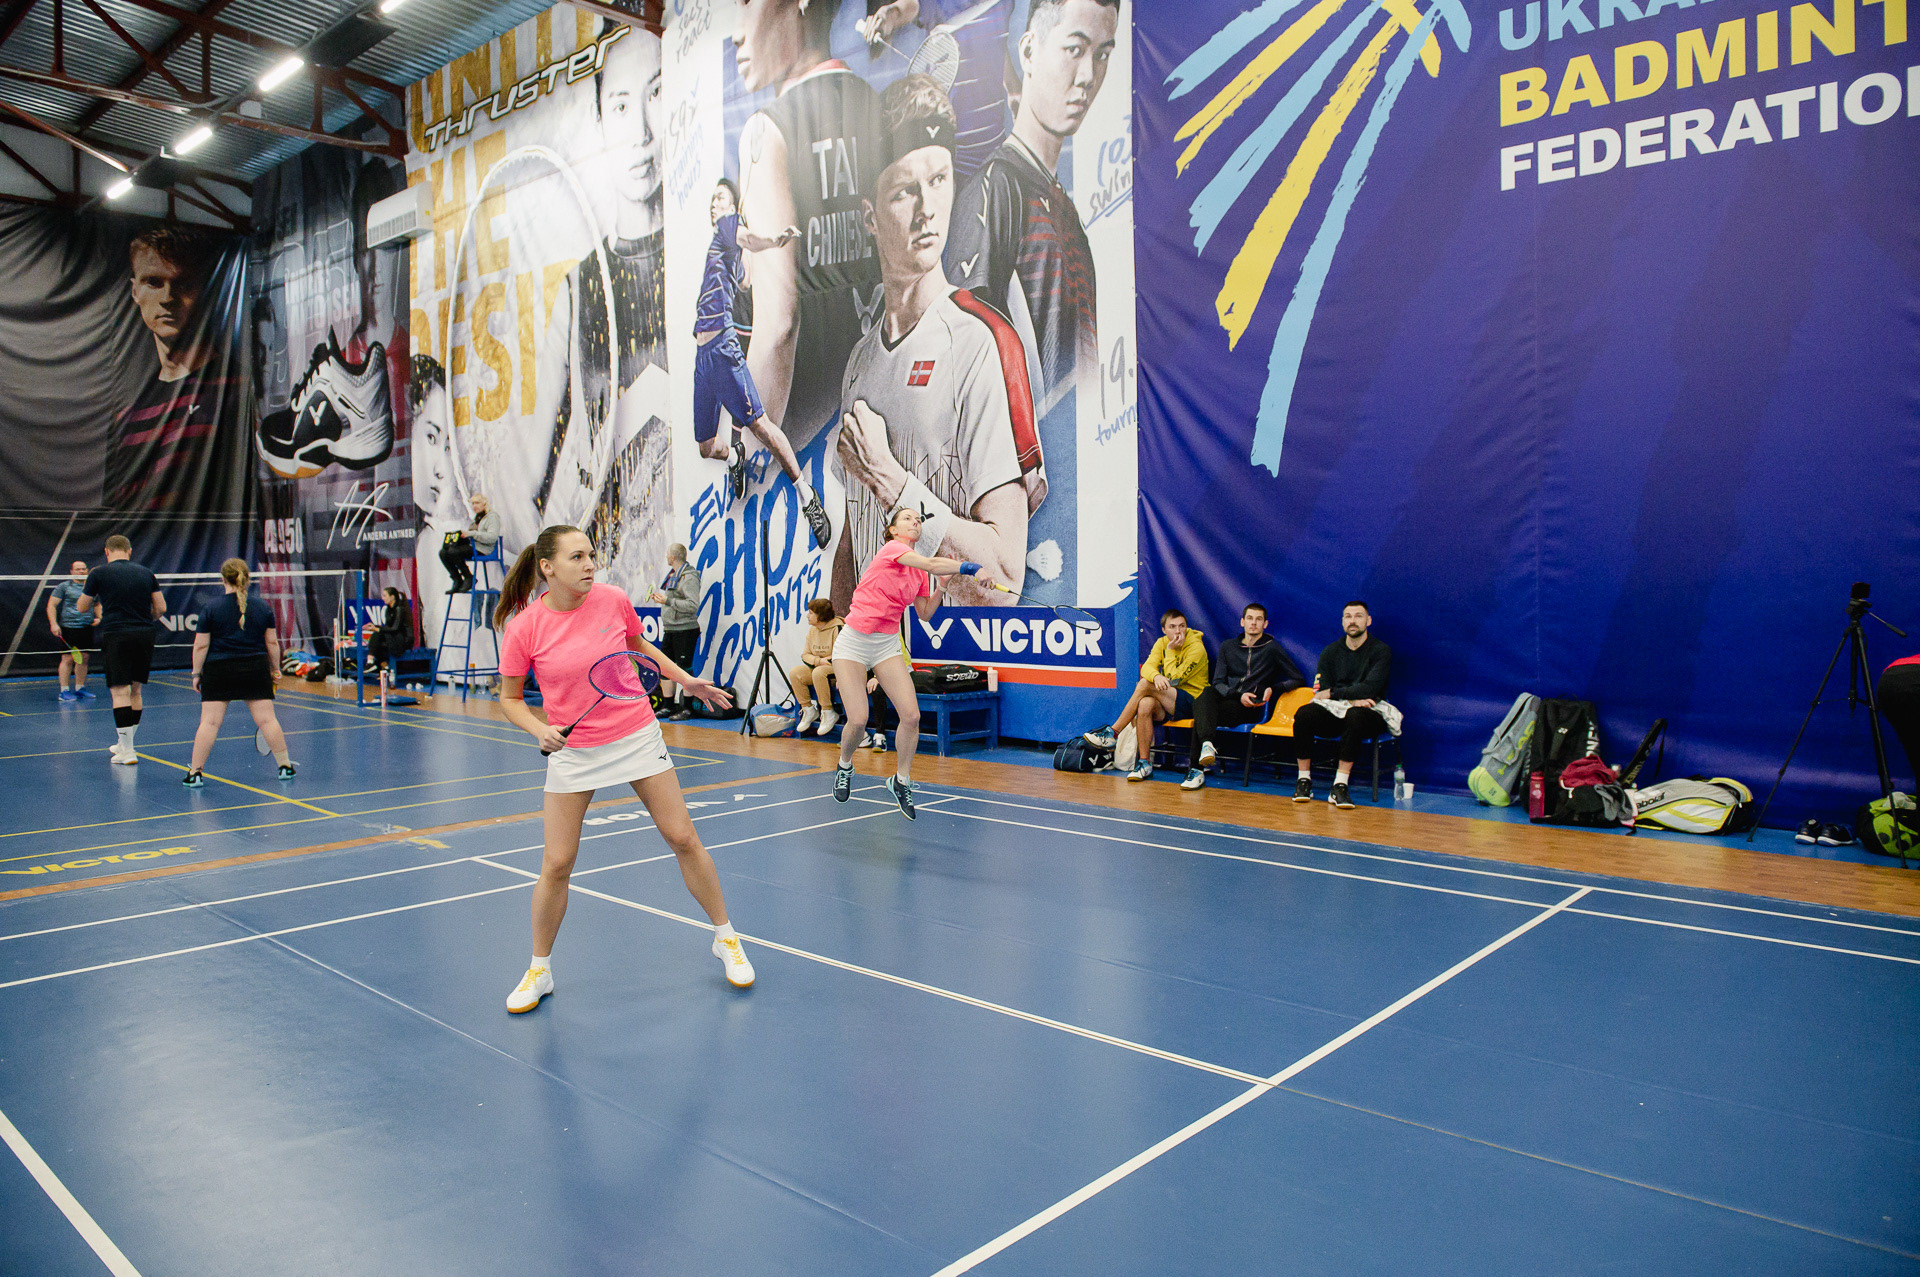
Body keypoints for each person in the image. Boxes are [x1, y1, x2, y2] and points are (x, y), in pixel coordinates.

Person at [494, 525, 750, 1012]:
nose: (589, 564)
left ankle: (726, 937)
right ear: (547, 567)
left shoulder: (612, 600)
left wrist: (686, 680)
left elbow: (640, 650)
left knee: (682, 836)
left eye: (591, 554)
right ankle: (539, 969)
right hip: (573, 749)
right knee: (557, 863)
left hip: (634, 733)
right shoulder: (525, 627)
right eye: (576, 557)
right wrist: (538, 729)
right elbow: (509, 698)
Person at [831, 73, 1043, 611]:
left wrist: (888, 479)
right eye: (905, 190)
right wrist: (839, 637)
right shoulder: (860, 361)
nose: (927, 208)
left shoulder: (982, 342)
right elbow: (855, 537)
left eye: (940, 180)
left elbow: (1002, 581)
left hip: (950, 658)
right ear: (870, 216)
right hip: (876, 652)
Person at [945, 0, 1119, 603]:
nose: (1088, 75)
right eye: (1074, 49)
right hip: (1023, 511)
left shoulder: (1061, 204)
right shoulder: (994, 190)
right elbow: (966, 361)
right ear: (1028, 50)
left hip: (1074, 493)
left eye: (1102, 55)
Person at [517, 24, 671, 581]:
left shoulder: (708, 256)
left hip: (691, 537)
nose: (641, 134)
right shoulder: (580, 287)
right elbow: (537, 471)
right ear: (600, 118)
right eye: (622, 105)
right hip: (611, 561)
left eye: (656, 94)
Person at [733, 0, 884, 459]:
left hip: (811, 444)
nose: (737, 32)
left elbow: (778, 326)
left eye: (746, 2)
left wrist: (746, 458)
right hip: (886, 429)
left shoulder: (766, 132)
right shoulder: (878, 107)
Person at [694, 178, 832, 549]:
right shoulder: (721, 243)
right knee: (707, 446)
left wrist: (770, 241)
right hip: (703, 356)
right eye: (712, 199)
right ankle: (734, 457)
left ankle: (808, 498)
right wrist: (742, 250)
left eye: (720, 197)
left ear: (733, 208)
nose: (714, 203)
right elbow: (743, 280)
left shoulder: (729, 227)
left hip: (722, 349)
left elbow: (750, 243)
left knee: (761, 426)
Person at [831, 505, 980, 818]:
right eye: (907, 518)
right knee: (857, 719)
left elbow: (924, 613)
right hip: (854, 642)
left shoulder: (918, 572)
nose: (915, 522)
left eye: (918, 519)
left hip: (886, 644)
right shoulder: (892, 550)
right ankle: (845, 765)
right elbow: (931, 562)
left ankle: (901, 780)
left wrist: (941, 586)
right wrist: (969, 567)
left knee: (911, 716)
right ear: (893, 530)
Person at [108, 226, 248, 515]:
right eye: (153, 282)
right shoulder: (128, 414)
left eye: (184, 284)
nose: (167, 297)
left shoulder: (238, 389)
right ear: (135, 291)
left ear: (204, 292)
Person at [184, 560, 294, 788]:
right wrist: (275, 669)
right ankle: (285, 766)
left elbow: (201, 645)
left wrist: (196, 673)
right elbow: (272, 643)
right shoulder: (262, 607)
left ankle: (195, 773)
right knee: (267, 720)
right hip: (254, 668)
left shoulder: (211, 608)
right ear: (247, 578)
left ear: (222, 579)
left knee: (210, 723)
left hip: (219, 670)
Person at [1181, 603, 1305, 791]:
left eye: (1258, 619)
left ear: (1265, 624)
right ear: (1242, 622)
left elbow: (1298, 678)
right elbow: (1218, 682)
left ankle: (1196, 770)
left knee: (1203, 713)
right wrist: (1237, 695)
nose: (1253, 623)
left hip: (1249, 708)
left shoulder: (1272, 648)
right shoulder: (1228, 647)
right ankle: (1207, 745)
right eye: (1250, 618)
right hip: (1228, 700)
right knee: (1205, 695)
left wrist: (1273, 688)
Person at [1083, 609, 1208, 782]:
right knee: (1145, 703)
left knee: (1143, 685)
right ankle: (1144, 763)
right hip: (1169, 701)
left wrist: (1170, 651)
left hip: (1195, 703)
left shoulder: (1196, 647)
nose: (1178, 631)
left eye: (1182, 626)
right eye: (1172, 627)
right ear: (1164, 629)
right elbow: (1147, 668)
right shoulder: (1161, 642)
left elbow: (1174, 679)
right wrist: (1156, 676)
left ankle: (1113, 732)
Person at [1291, 601, 1395, 810]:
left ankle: (1340, 785)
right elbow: (1322, 691)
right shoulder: (1330, 651)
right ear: (1342, 621)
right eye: (1348, 616)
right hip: (1337, 710)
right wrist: (1350, 699)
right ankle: (1304, 780)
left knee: (1356, 715)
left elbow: (1370, 689)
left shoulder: (1381, 651)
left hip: (1370, 712)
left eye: (1358, 616)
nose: (1352, 621)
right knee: (1304, 714)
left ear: (1368, 620)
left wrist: (1337, 694)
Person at [77, 536, 165, 766]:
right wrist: (145, 618)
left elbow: (81, 606)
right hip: (144, 634)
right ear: (130, 551)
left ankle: (127, 751)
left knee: (119, 692)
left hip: (116, 634)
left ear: (107, 552)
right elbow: (161, 608)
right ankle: (124, 744)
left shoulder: (98, 573)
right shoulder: (146, 573)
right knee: (135, 691)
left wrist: (92, 590)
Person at [647, 544, 702, 719]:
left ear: (672, 557)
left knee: (684, 669)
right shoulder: (673, 575)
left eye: (667, 554)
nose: (666, 557)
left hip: (685, 629)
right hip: (670, 628)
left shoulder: (689, 577)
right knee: (665, 667)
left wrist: (668, 601)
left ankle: (688, 708)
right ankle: (668, 705)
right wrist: (663, 600)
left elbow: (692, 605)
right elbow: (672, 599)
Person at [789, 598, 846, 735]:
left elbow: (841, 654)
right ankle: (808, 709)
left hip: (837, 669)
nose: (807, 616)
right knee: (795, 672)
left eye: (811, 613)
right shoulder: (812, 631)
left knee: (819, 672)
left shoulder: (838, 628)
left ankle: (828, 711)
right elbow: (805, 655)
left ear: (820, 615)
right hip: (819, 666)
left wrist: (823, 662)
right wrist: (818, 661)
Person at [46, 560, 98, 702]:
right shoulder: (64, 586)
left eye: (83, 569)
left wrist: (99, 617)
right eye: (78, 569)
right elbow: (51, 605)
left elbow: (97, 603)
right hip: (69, 627)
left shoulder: (92, 586)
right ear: (71, 571)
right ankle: (64, 691)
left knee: (84, 658)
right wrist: (54, 624)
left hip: (86, 627)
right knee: (68, 659)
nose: (81, 571)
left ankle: (80, 688)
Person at [439, 495, 503, 593]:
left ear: (484, 504)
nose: (474, 506)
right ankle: (457, 579)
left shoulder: (492, 517)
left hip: (484, 549)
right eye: (473, 504)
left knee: (453, 552)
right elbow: (473, 535)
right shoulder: (477, 518)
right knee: (443, 552)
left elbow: (492, 537)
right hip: (473, 546)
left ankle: (469, 578)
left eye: (477, 503)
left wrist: (471, 533)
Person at [367, 587, 413, 672]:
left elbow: (395, 628)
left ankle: (371, 662)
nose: (382, 598)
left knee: (378, 635)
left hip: (403, 639)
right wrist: (375, 627)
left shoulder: (400, 609)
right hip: (393, 636)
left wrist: (377, 629)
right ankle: (381, 664)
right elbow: (387, 627)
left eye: (385, 596)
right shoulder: (388, 609)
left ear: (392, 597)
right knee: (377, 639)